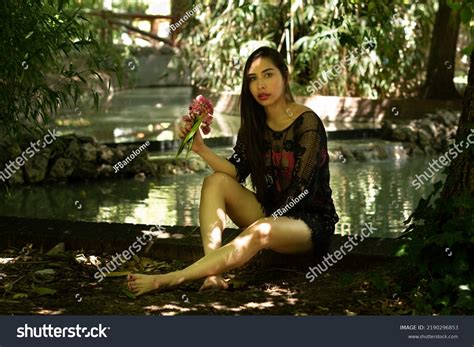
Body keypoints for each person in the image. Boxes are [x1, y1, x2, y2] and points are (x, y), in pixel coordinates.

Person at [127, 46, 339, 296]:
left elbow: (301, 191)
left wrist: (265, 223)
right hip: (269, 215)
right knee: (215, 182)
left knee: (262, 230)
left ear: (285, 75)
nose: (261, 85)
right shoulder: (254, 125)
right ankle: (213, 274)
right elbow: (236, 171)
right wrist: (200, 149)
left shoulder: (308, 123)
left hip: (308, 225)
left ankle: (168, 280)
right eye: (253, 79)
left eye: (268, 75)